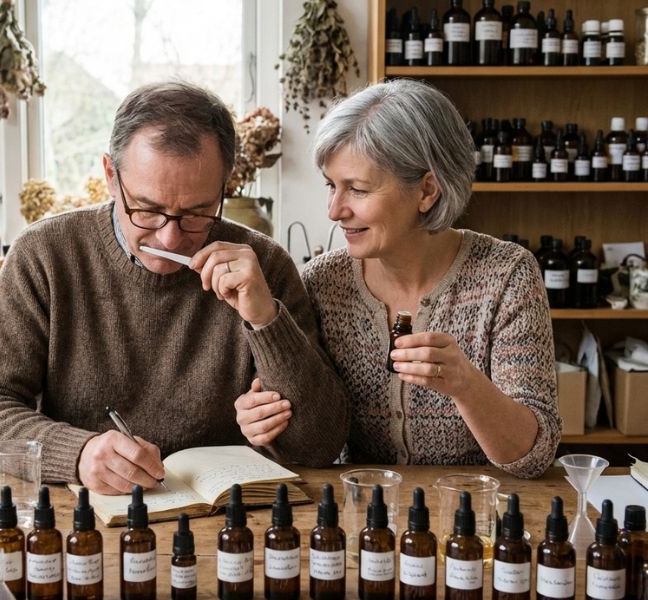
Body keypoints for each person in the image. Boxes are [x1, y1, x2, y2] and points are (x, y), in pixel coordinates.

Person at [0, 81, 350, 493]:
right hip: (82, 514)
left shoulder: (264, 265)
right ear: (111, 176)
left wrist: (266, 319)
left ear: (225, 186)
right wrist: (79, 454)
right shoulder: (45, 255)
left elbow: (319, 446)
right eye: (147, 210)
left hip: (226, 518)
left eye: (197, 213)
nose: (169, 239)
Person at [236, 79, 561, 479]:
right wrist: (264, 426)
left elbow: (534, 456)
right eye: (331, 186)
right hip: (357, 514)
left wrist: (467, 386)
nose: (334, 210)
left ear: (427, 190)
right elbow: (312, 443)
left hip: (472, 520)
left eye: (356, 189)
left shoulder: (507, 275)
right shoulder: (322, 283)